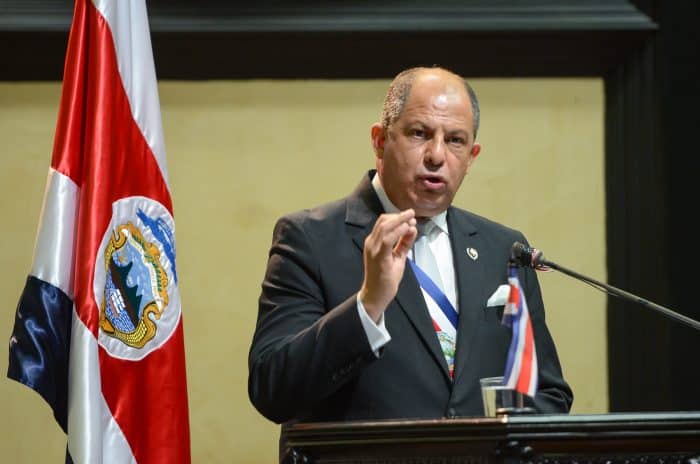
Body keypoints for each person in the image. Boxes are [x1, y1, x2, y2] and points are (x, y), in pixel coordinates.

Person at [248, 67, 572, 432]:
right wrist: (368, 305)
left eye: (455, 140)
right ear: (379, 140)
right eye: (420, 133)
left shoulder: (504, 249)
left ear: (472, 156)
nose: (436, 155)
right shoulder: (309, 239)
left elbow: (548, 393)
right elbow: (271, 388)